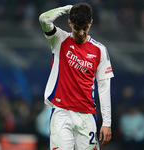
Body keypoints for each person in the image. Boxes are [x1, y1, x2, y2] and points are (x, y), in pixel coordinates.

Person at [39, 3, 114, 150]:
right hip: (61, 113)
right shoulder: (59, 39)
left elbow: (104, 88)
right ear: (70, 23)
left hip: (86, 116)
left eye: (84, 28)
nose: (81, 33)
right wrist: (68, 9)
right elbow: (44, 19)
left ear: (90, 23)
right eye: (76, 28)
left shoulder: (100, 50)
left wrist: (107, 123)